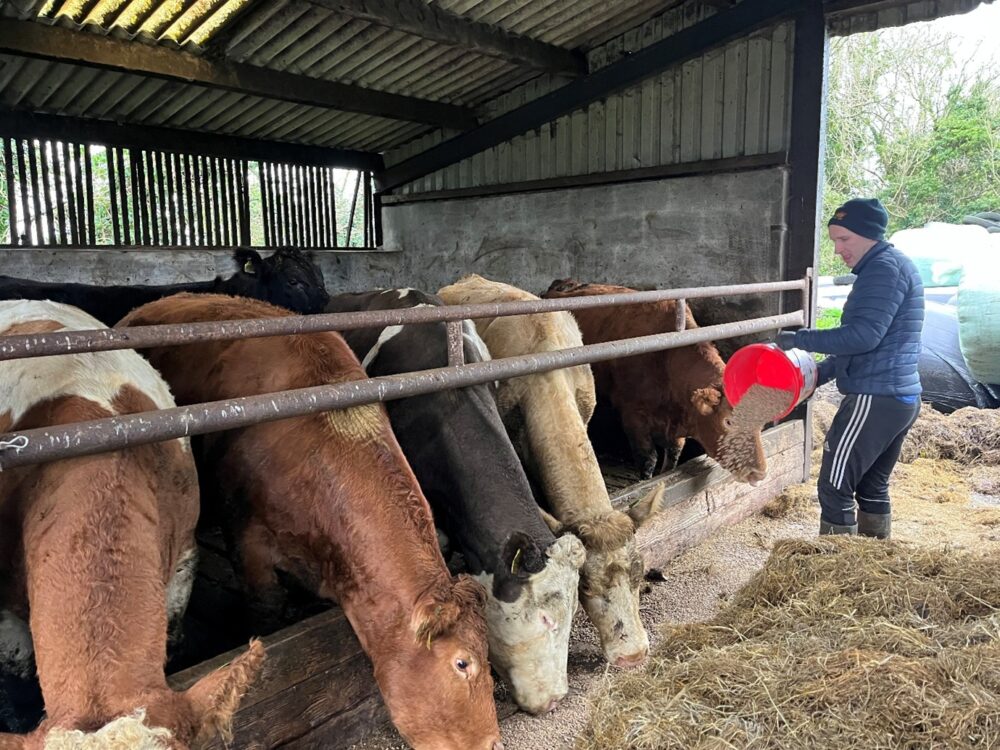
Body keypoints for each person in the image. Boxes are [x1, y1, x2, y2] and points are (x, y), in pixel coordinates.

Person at [777, 198, 924, 539]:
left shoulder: (883, 271)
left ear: (869, 234)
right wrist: (817, 375)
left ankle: (836, 567)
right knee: (872, 487)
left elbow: (862, 337)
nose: (839, 249)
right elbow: (869, 342)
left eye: (845, 239)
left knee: (834, 486)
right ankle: (872, 564)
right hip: (897, 396)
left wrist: (800, 339)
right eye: (835, 241)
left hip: (875, 396)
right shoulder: (889, 266)